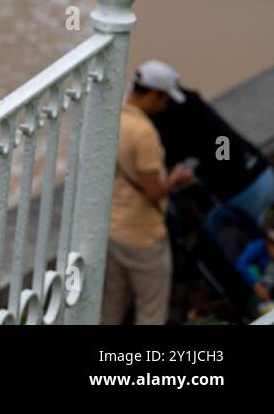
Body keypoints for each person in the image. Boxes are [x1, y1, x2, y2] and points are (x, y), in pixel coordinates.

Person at [102, 77, 196, 324]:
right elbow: (153, 192)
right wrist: (176, 179)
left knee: (109, 307)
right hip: (143, 234)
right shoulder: (144, 134)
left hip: (113, 228)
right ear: (154, 95)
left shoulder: (114, 118)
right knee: (151, 311)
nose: (164, 105)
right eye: (164, 98)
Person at [138, 60, 273, 229]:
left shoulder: (165, 117)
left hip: (239, 187)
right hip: (259, 169)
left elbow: (217, 149)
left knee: (251, 246)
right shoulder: (189, 100)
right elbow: (220, 141)